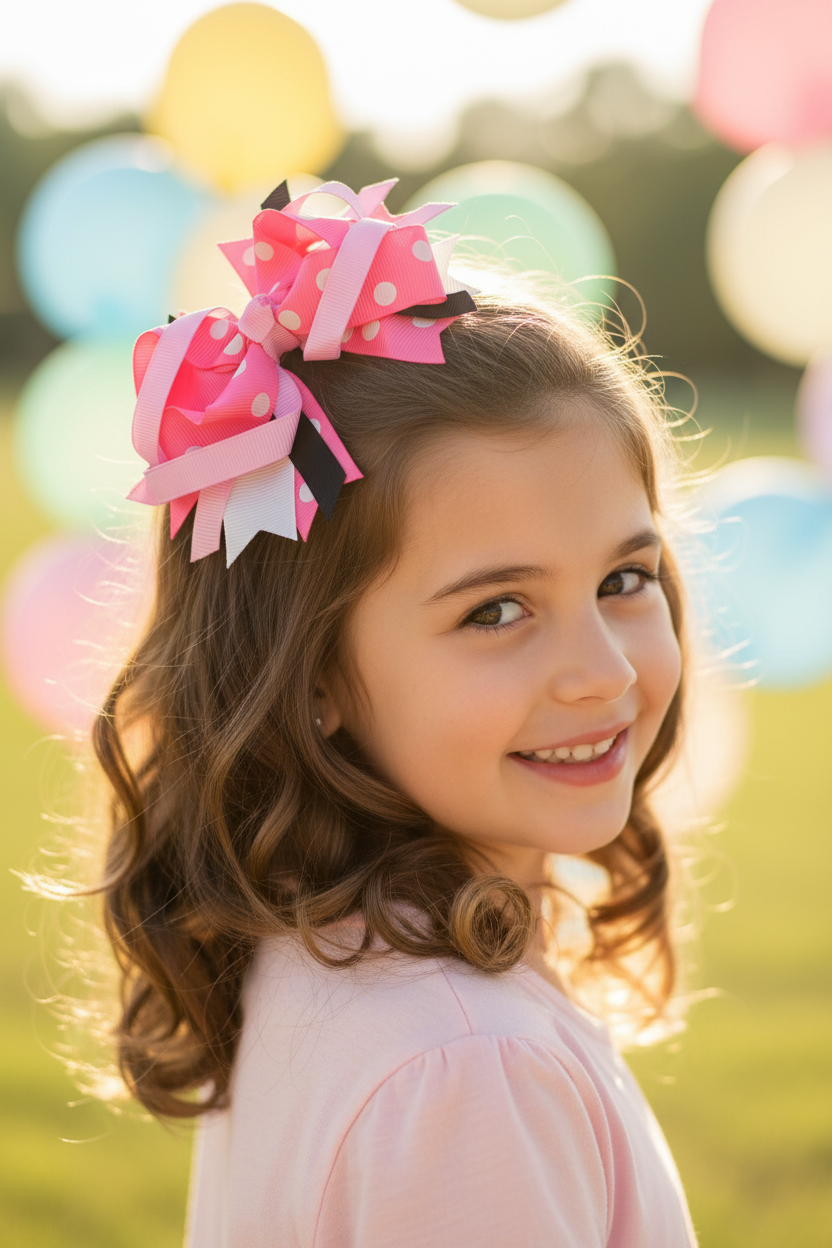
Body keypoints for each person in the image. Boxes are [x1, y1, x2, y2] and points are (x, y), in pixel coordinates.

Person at [93, 178, 697, 1246]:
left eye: (622, 581)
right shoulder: (465, 1070)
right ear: (311, 672)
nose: (601, 673)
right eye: (497, 610)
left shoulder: (332, 952)